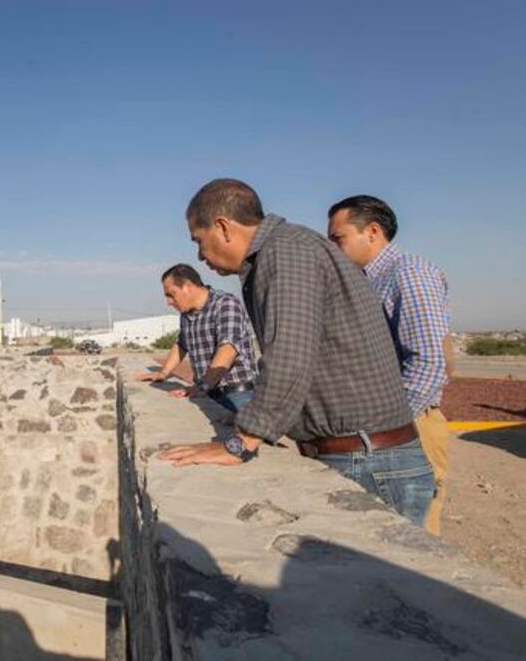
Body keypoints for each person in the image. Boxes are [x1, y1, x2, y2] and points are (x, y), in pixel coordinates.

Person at [160, 178, 434, 527]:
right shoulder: (281, 251)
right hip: (360, 455)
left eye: (199, 241)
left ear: (223, 226)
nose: (200, 255)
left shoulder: (286, 252)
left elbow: (289, 353)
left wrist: (241, 441)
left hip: (369, 461)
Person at [328, 195, 452, 535]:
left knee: (415, 544)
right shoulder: (366, 280)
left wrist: (385, 424)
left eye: (338, 238)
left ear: (372, 231)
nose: (333, 248)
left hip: (407, 429)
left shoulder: (408, 273)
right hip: (385, 431)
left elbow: (428, 362)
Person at [136, 263, 258, 415]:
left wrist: (202, 387)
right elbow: (181, 344)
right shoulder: (186, 315)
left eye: (171, 294)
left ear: (188, 286)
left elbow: (228, 349)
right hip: (210, 394)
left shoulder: (225, 304)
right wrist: (163, 373)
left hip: (238, 395)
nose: (169, 302)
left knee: (249, 436)